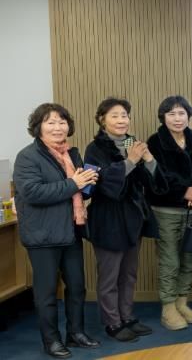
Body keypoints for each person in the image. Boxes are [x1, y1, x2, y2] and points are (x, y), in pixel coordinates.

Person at [14, 103, 101, 358]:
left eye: (62, 122)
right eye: (50, 122)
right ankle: (51, 341)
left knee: (77, 287)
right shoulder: (28, 156)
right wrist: (74, 182)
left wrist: (88, 183)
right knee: (47, 293)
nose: (57, 127)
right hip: (42, 234)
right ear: (38, 127)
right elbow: (32, 192)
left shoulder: (71, 154)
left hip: (70, 230)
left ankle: (76, 333)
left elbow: (79, 193)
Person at [85, 97, 168, 342]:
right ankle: (112, 322)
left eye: (124, 115)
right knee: (110, 275)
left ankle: (127, 316)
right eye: (115, 116)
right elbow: (104, 184)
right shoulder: (95, 148)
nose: (122, 120)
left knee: (129, 273)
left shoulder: (132, 142)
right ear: (102, 120)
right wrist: (130, 160)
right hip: (108, 218)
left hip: (133, 218)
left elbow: (153, 183)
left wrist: (149, 159)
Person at [146, 96, 192, 330]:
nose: (177, 118)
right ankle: (168, 307)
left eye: (181, 113)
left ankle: (182, 303)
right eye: (171, 114)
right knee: (170, 261)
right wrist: (184, 192)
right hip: (166, 210)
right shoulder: (154, 142)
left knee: (189, 259)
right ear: (163, 117)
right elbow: (156, 178)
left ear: (189, 116)